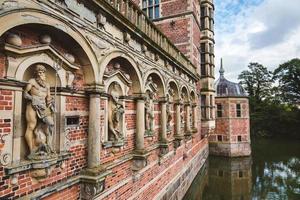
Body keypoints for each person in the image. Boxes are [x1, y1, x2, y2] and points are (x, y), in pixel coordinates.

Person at [24, 64, 55, 159]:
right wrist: (33, 98)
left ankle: (49, 146)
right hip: (32, 105)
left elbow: (48, 96)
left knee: (51, 124)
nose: (41, 74)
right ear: (36, 73)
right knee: (31, 126)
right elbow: (25, 94)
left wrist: (50, 101)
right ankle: (31, 150)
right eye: (39, 72)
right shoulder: (32, 81)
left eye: (42, 72)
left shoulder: (47, 85)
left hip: (44, 106)